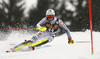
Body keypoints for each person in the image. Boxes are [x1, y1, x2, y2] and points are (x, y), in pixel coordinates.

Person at [9, 9, 74, 52]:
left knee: (45, 40)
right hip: (43, 32)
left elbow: (66, 29)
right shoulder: (45, 19)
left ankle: (33, 46)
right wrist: (40, 28)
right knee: (31, 40)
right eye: (48, 16)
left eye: (51, 16)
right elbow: (38, 24)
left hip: (51, 35)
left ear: (53, 16)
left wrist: (69, 38)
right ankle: (15, 48)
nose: (50, 18)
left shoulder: (58, 21)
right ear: (46, 16)